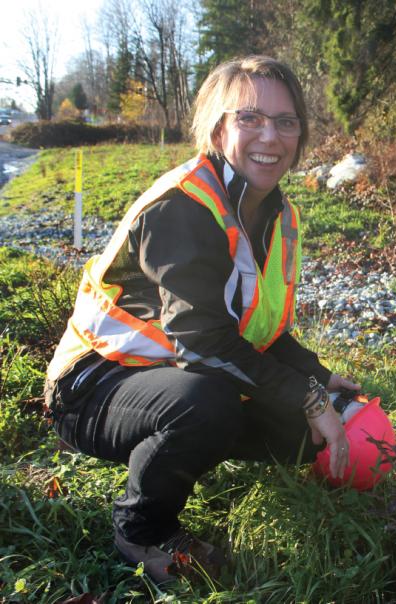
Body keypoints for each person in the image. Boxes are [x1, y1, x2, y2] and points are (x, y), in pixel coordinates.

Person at [43, 55, 358, 585]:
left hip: (168, 374)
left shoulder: (276, 212)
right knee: (208, 406)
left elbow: (261, 327)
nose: (271, 136)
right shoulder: (184, 207)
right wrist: (308, 396)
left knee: (304, 435)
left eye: (286, 121)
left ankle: (176, 442)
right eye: (250, 118)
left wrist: (319, 378)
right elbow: (204, 343)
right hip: (93, 385)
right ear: (217, 128)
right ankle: (141, 529)